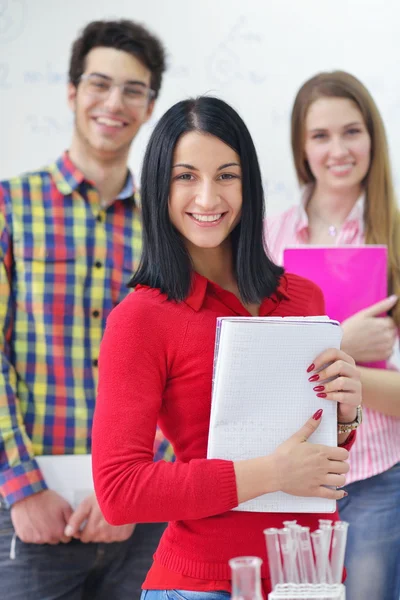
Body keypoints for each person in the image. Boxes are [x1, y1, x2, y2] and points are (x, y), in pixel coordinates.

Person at [91, 96, 362, 600]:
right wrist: (270, 473)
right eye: (186, 176)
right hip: (201, 584)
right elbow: (119, 491)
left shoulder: (304, 298)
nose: (208, 197)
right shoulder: (140, 319)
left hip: (308, 577)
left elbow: (318, 460)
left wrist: (344, 416)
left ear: (249, 184)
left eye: (227, 176)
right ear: (159, 188)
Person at [0, 19, 173, 600]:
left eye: (133, 89)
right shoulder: (9, 208)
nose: (114, 102)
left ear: (150, 106)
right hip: (29, 518)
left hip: (144, 525)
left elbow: (196, 369)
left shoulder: (170, 229)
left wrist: (136, 489)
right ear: (72, 92)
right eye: (100, 84)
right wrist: (21, 487)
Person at [265, 71, 400, 600]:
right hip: (285, 477)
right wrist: (343, 344)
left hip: (374, 479)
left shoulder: (394, 239)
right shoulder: (266, 237)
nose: (338, 149)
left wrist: (338, 367)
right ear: (301, 147)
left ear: (373, 137)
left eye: (352, 131)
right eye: (321, 135)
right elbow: (249, 369)